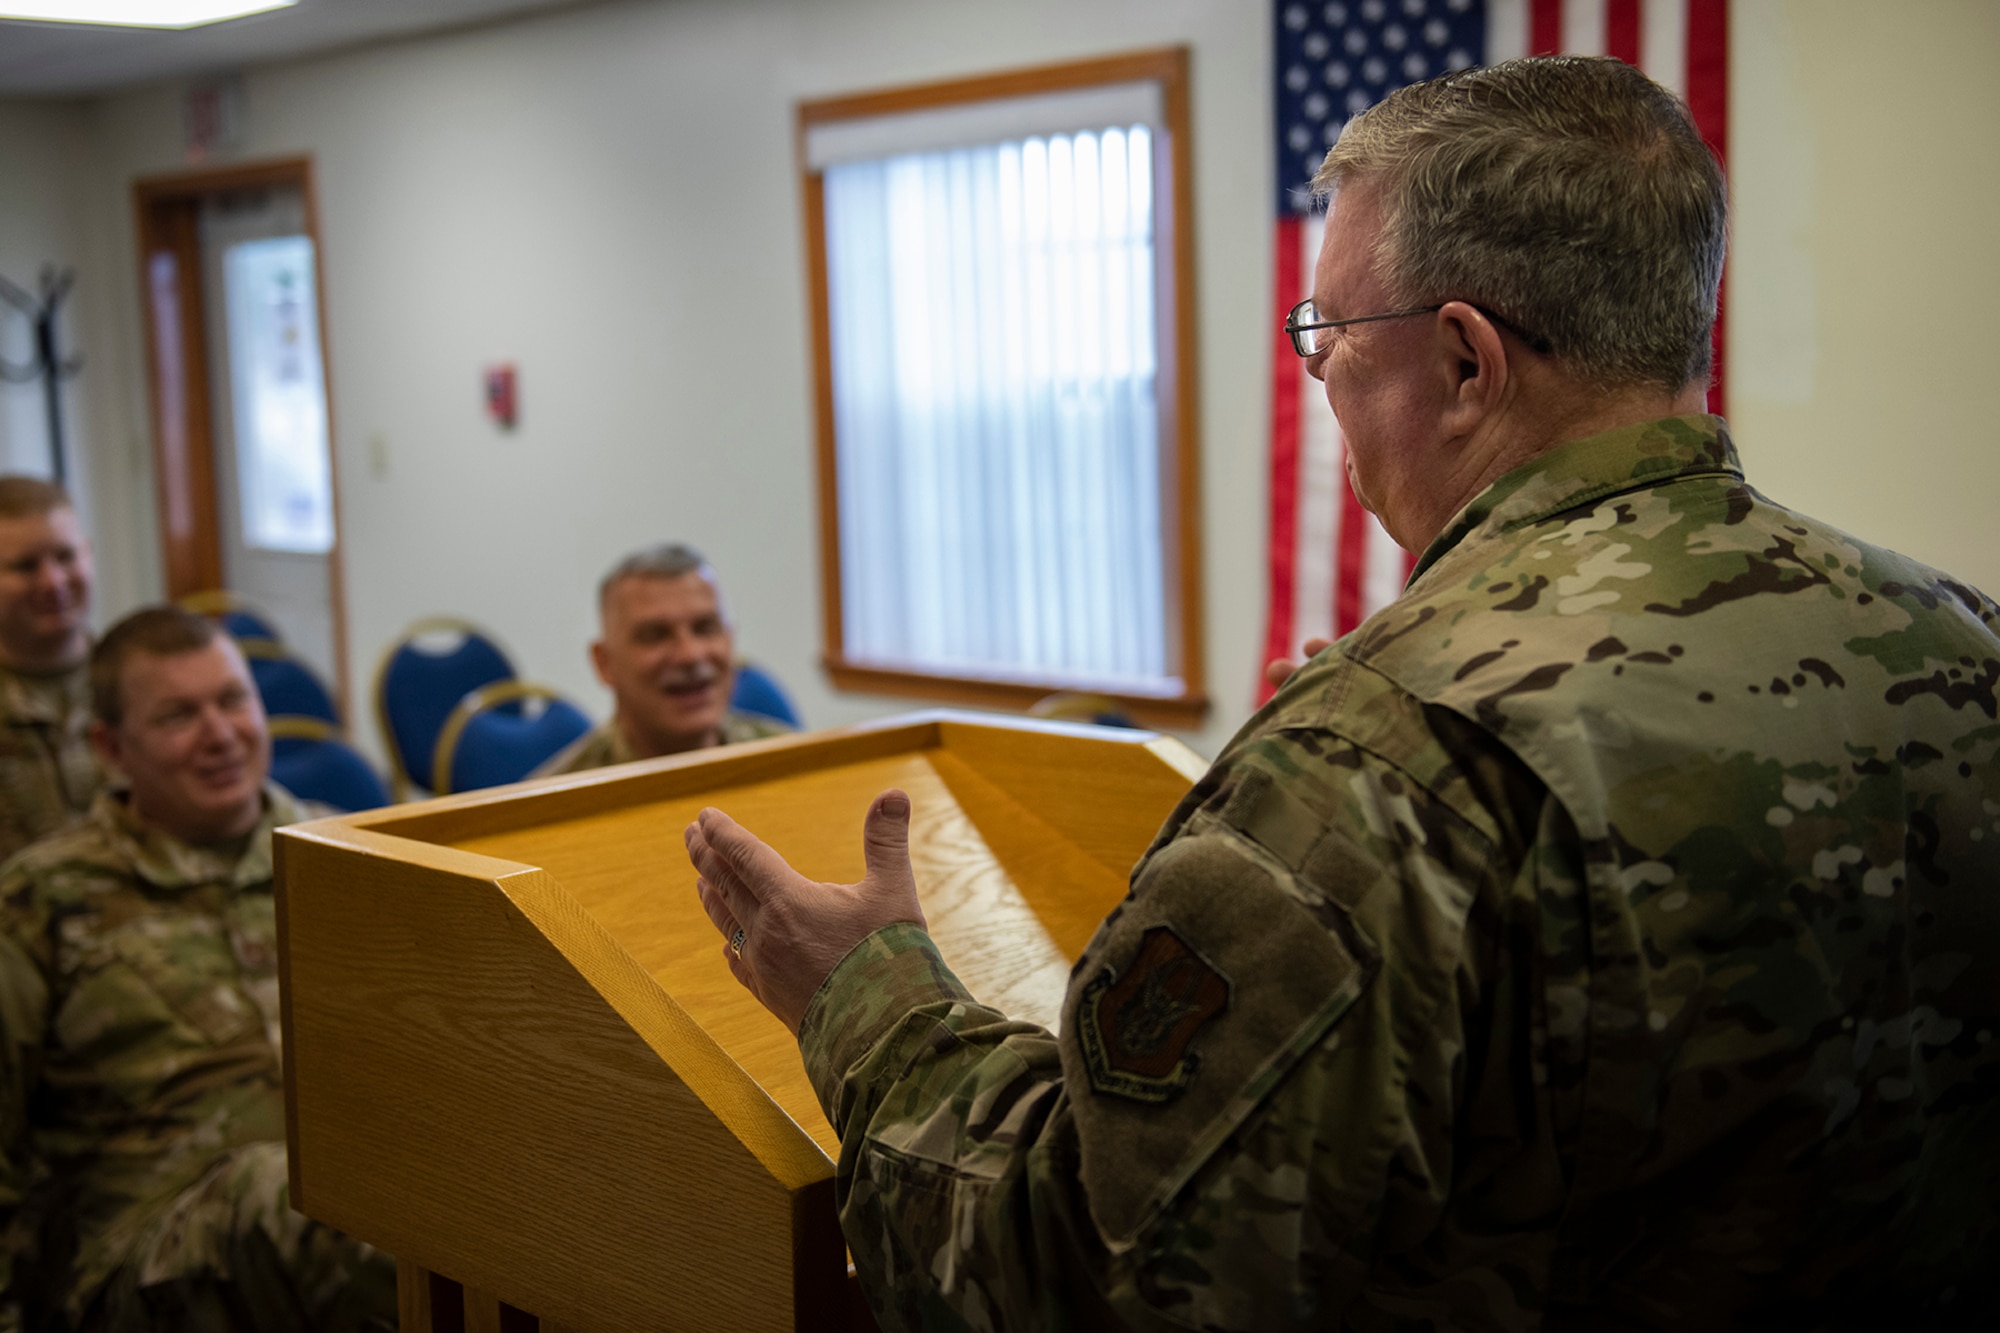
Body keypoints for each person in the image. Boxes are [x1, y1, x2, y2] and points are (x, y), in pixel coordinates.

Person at [681, 56, 2000, 1331]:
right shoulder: (1963, 641)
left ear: (1467, 363)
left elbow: (1073, 1279)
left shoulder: (1379, 761)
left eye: (1330, 332)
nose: (1317, 371)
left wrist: (867, 994)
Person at [0, 607, 395, 1331]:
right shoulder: (38, 901)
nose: (220, 735)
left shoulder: (351, 853)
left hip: (350, 1206)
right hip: (139, 1255)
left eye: (234, 700)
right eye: (178, 715)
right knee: (301, 1193)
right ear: (111, 748)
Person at [535, 543, 790, 775]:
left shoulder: (795, 764)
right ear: (605, 663)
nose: (690, 655)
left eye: (705, 628)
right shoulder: (552, 807)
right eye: (655, 635)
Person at [0, 475, 99, 865]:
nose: (53, 581)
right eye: (25, 566)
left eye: (65, 556)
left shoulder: (140, 686)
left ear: (88, 554)